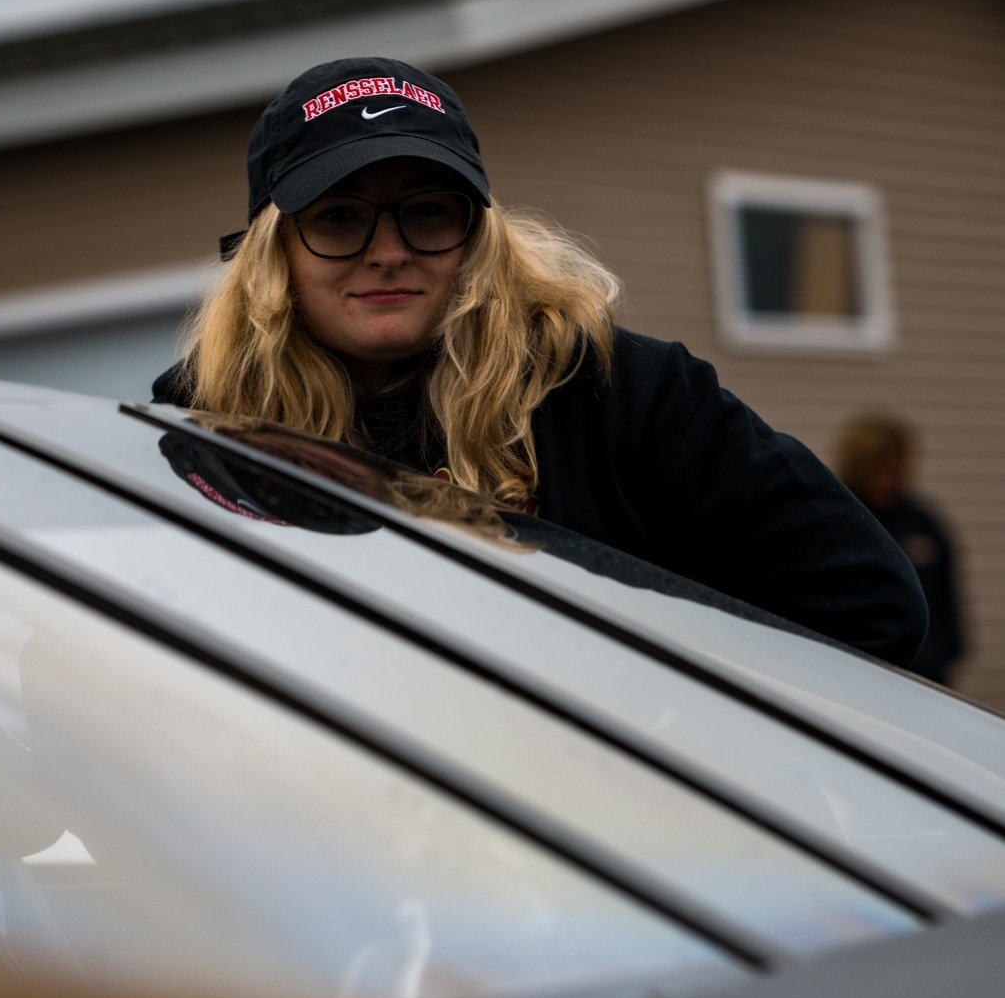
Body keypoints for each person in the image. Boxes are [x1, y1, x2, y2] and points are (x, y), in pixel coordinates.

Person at [153, 56, 927, 667]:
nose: (387, 252)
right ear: (272, 251)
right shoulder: (199, 429)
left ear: (477, 233)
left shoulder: (620, 393)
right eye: (339, 217)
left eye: (427, 211)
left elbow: (866, 604)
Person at [834, 415, 966, 685]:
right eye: (881, 471)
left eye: (897, 472)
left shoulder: (923, 524)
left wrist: (942, 655)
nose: (890, 482)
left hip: (926, 680)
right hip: (858, 678)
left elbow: (949, 606)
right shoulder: (837, 519)